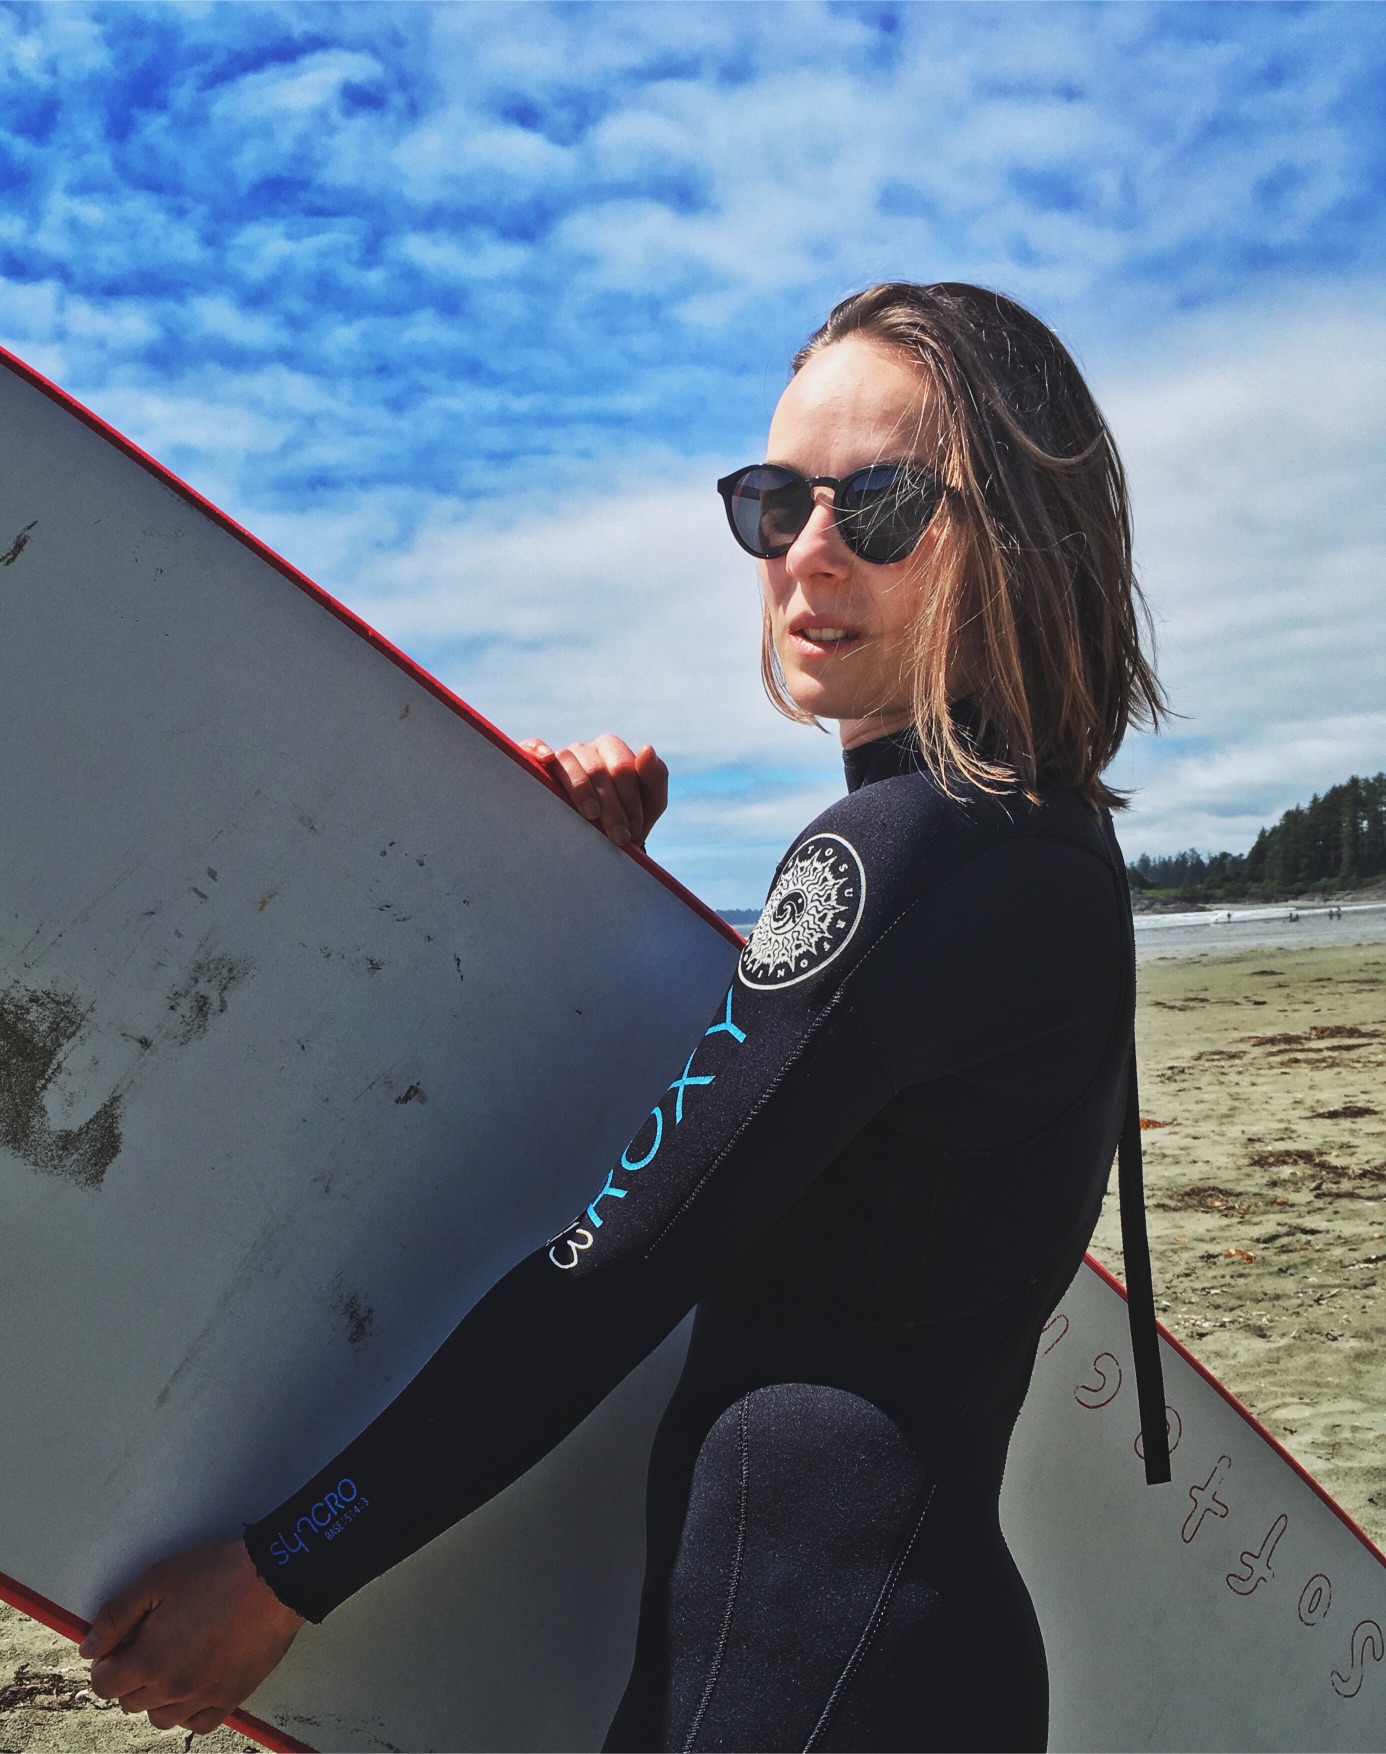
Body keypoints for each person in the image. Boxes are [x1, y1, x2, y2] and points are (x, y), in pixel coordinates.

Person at [81, 281, 1166, 1750]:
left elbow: (612, 1266)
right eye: (774, 503)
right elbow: (822, 1136)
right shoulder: (1040, 848)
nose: (809, 553)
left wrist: (289, 1566)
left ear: (1018, 535)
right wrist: (587, 917)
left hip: (803, 1687)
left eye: (885, 504)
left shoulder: (905, 852)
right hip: (894, 1666)